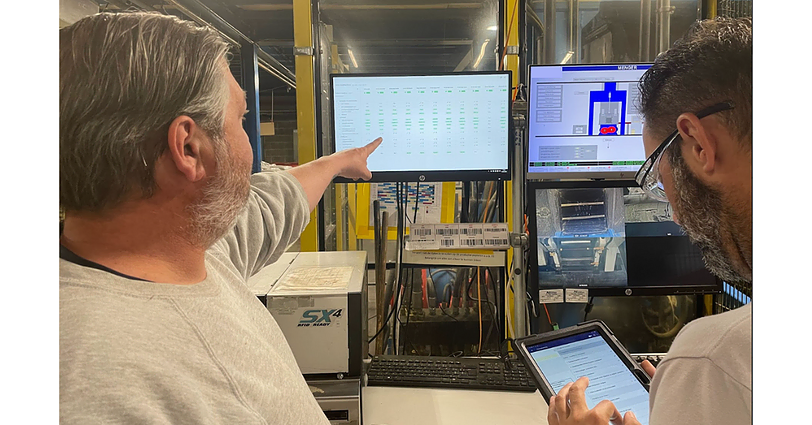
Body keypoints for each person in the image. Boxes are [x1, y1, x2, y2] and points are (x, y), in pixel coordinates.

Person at [59, 12, 381, 424]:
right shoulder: (99, 388)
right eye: (241, 120)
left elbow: (271, 204)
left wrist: (336, 162)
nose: (248, 144)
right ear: (188, 148)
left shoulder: (188, 250)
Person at [546, 17, 752, 425]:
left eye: (657, 175)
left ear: (698, 144)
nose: (673, 212)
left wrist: (696, 379)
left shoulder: (716, 357)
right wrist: (688, 403)